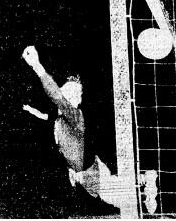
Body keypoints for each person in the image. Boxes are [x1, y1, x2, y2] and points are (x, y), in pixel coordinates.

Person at [21, 45, 116, 205]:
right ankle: (143, 184)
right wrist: (31, 110)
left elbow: (56, 96)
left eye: (75, 94)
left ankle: (145, 182)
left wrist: (36, 65)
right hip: (89, 178)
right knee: (121, 199)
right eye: (67, 92)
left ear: (77, 100)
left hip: (97, 178)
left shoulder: (75, 116)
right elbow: (47, 115)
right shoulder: (59, 119)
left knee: (124, 198)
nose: (67, 96)